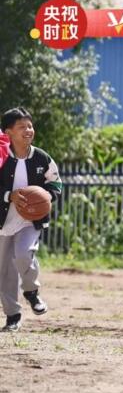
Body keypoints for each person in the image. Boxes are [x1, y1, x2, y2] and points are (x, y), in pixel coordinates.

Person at [0, 107, 62, 332]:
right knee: (5, 271)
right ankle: (13, 316)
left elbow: (56, 183)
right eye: (21, 127)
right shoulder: (1, 158)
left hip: (30, 221)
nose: (28, 130)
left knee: (25, 253)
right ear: (8, 133)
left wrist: (47, 196)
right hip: (4, 221)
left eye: (30, 126)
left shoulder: (42, 157)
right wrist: (9, 196)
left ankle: (31, 292)